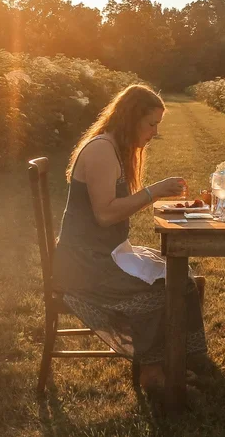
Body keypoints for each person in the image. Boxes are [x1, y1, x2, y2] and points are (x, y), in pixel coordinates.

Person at [52, 84, 208, 394]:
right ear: (131, 118)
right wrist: (153, 193)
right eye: (151, 124)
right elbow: (106, 215)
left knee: (181, 276)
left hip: (105, 254)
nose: (154, 132)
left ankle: (172, 362)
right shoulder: (100, 150)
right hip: (86, 265)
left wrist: (156, 196)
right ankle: (154, 376)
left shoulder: (115, 149)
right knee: (165, 289)